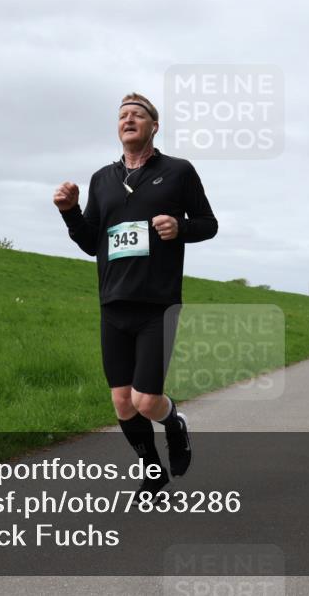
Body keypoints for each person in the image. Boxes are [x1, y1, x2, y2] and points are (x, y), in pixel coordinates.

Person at [54, 93, 218, 495]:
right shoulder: (102, 179)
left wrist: (180, 228)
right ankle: (153, 470)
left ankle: (175, 423)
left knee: (147, 401)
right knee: (122, 403)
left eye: (137, 115)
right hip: (113, 303)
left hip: (158, 303)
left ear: (154, 125)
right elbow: (92, 243)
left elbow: (208, 224)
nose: (128, 119)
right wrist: (71, 213)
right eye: (122, 115)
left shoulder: (178, 172)